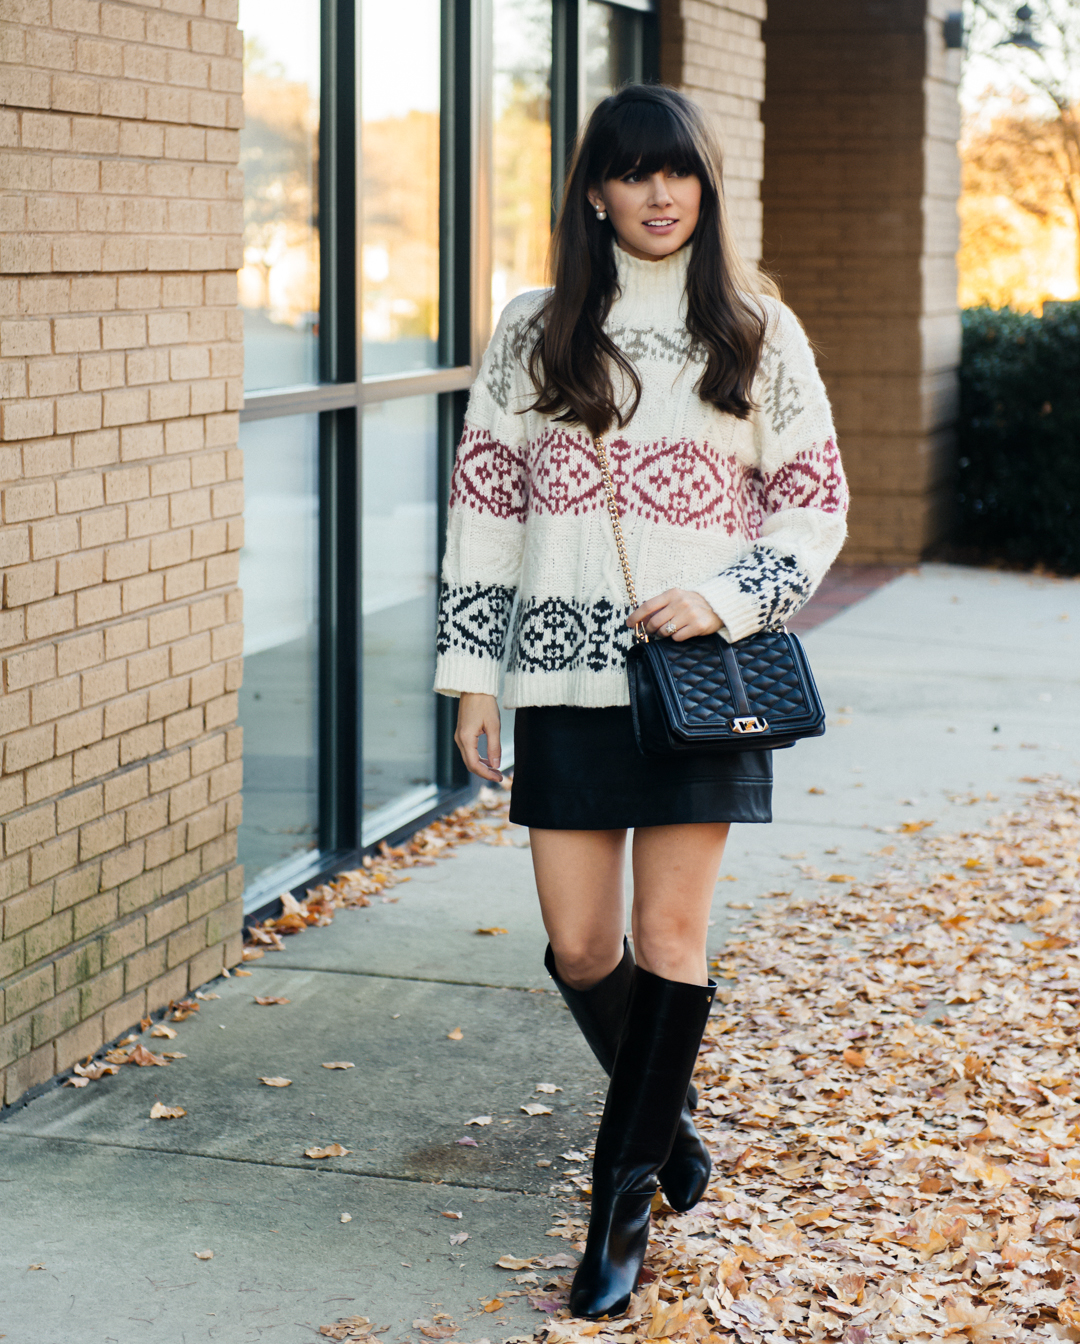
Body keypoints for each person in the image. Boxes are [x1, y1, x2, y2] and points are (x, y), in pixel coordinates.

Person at [433, 84, 848, 1320]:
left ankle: (616, 1224)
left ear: (704, 188)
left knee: (670, 944)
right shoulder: (535, 327)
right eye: (634, 173)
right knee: (579, 947)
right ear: (596, 192)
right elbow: (487, 508)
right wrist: (469, 677)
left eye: (681, 174)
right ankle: (666, 1137)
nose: (661, 195)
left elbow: (816, 505)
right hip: (561, 680)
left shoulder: (757, 331)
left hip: (698, 687)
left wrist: (722, 596)